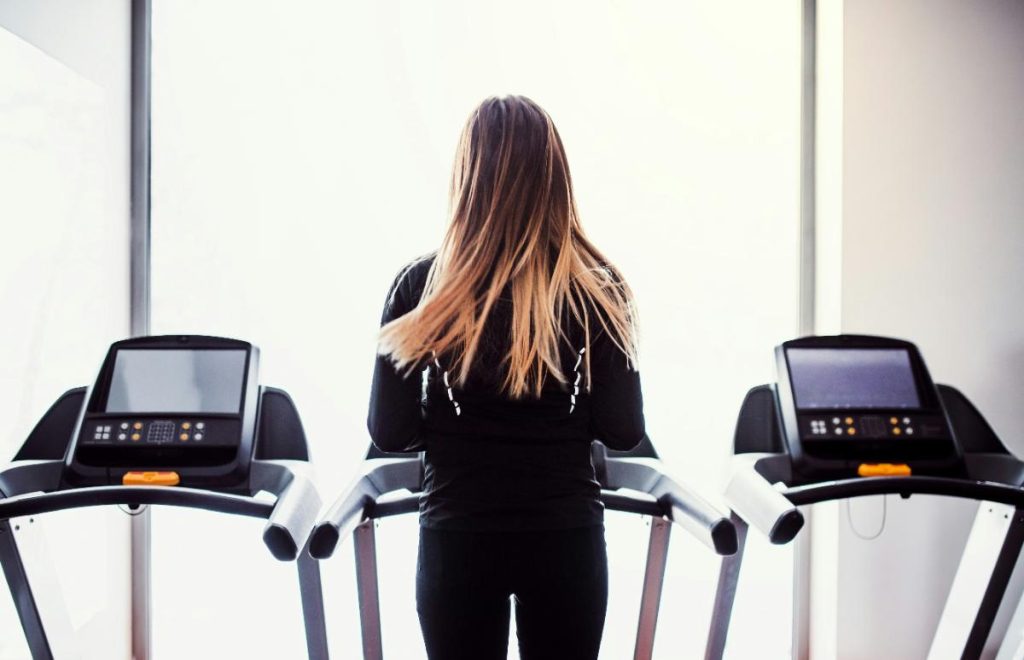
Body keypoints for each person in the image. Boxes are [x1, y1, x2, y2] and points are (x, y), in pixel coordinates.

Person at [368, 95, 645, 660]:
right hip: (565, 540)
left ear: (468, 179)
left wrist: (452, 426)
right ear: (553, 177)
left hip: (458, 539)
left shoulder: (422, 287)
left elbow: (390, 433)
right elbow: (622, 430)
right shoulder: (599, 289)